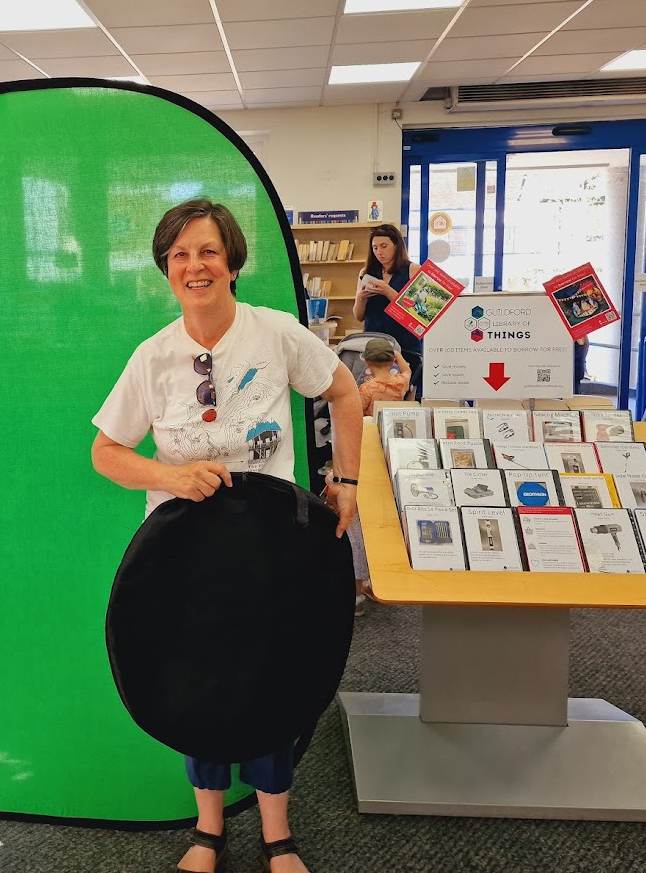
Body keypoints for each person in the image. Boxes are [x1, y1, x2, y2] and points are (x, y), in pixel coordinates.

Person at [91, 199, 361, 873]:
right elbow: (105, 451)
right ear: (165, 269)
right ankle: (208, 829)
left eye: (207, 251)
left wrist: (347, 480)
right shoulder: (153, 356)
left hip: (272, 557)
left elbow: (345, 391)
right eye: (179, 255)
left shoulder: (273, 335)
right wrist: (167, 475)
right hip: (184, 562)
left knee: (273, 681)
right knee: (197, 684)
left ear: (232, 261)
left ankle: (278, 834)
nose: (194, 266)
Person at [352, 223, 424, 391]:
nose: (379, 252)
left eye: (384, 246)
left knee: (404, 391)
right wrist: (361, 299)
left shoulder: (413, 269)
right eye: (375, 248)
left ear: (397, 245)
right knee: (375, 391)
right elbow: (358, 315)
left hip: (406, 344)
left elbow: (420, 314)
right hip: (375, 344)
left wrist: (389, 292)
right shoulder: (366, 273)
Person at [356, 338, 412, 416]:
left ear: (367, 362)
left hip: (372, 427)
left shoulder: (366, 388)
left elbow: (356, 413)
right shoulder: (401, 382)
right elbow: (407, 371)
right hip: (393, 425)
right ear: (392, 362)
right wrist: (397, 354)